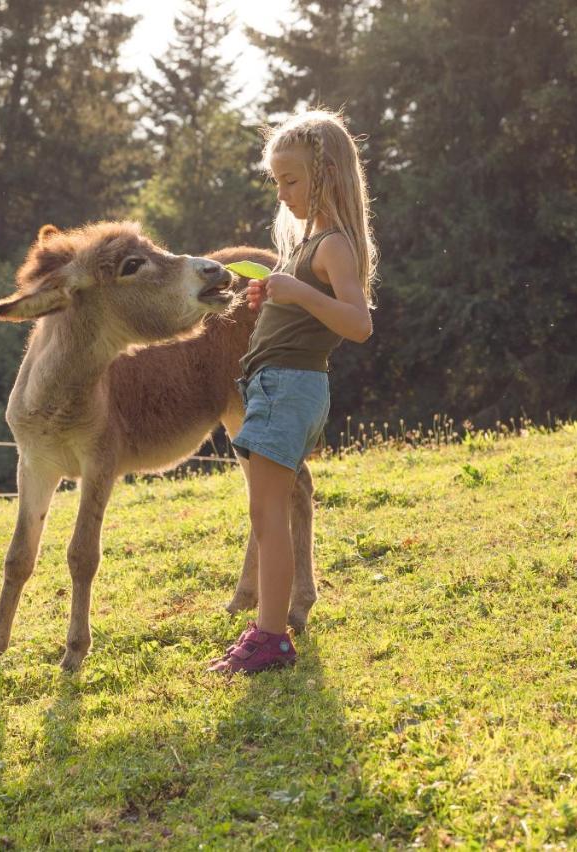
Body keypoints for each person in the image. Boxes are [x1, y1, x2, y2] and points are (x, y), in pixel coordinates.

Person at [208, 109, 378, 674]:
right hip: (273, 386)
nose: (282, 194)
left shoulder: (334, 245)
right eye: (276, 182)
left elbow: (358, 323)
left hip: (290, 388)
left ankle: (271, 637)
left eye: (291, 180)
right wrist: (274, 297)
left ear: (326, 175)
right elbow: (305, 305)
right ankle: (269, 630)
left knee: (268, 516)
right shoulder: (307, 245)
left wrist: (298, 295)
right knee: (265, 514)